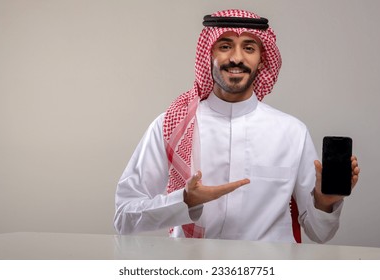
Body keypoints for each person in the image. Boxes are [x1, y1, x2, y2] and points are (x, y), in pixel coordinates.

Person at [114, 9, 360, 243]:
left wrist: (325, 201)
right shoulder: (175, 125)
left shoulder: (291, 132)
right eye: (225, 46)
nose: (236, 58)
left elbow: (320, 233)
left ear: (262, 61)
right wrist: (184, 201)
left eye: (249, 48)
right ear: (208, 55)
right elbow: (124, 218)